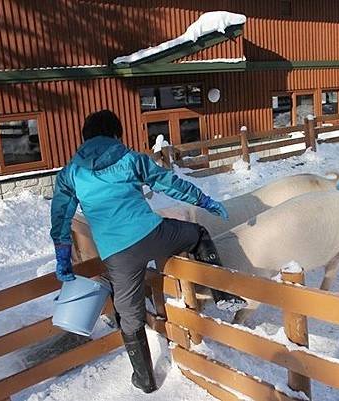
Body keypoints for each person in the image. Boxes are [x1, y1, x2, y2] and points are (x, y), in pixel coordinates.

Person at [50, 109, 246, 393]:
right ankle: (221, 293)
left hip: (117, 255)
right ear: (115, 134)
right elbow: (170, 184)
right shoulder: (130, 159)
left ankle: (145, 379)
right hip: (153, 234)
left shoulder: (70, 173)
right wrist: (205, 201)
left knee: (130, 316)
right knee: (198, 234)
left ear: (85, 137)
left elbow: (61, 218)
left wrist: (63, 260)